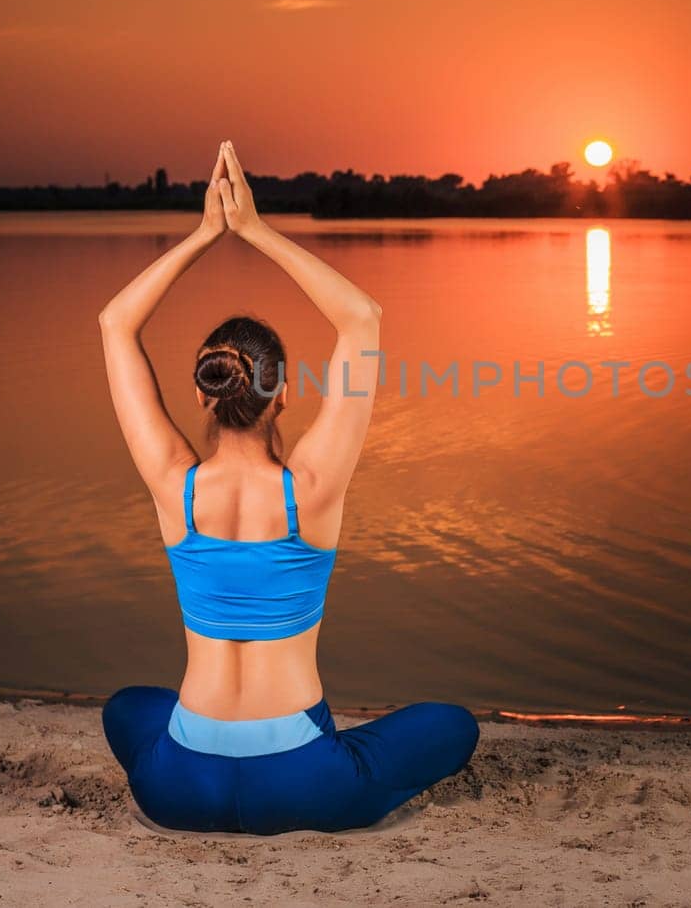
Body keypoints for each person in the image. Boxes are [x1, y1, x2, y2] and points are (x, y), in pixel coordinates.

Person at [96, 140, 479, 834]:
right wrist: (257, 229)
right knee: (452, 726)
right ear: (284, 395)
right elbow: (362, 317)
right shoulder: (313, 488)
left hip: (180, 784)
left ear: (201, 393)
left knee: (126, 707)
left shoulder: (171, 483)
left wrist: (204, 233)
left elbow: (115, 324)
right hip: (306, 784)